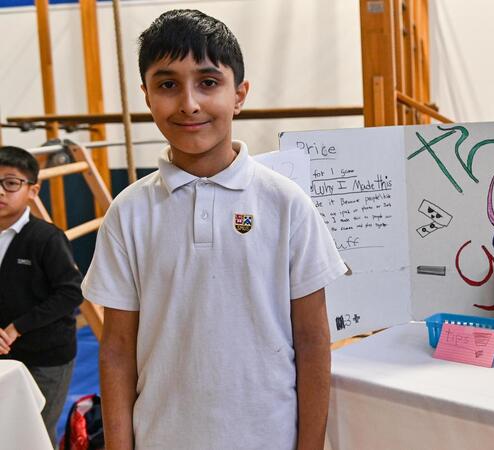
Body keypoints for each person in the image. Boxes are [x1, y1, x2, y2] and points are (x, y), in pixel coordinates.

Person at [81, 9, 346, 450]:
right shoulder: (128, 212)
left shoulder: (286, 203)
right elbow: (117, 350)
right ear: (147, 96)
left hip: (269, 439)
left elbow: (314, 341)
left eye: (208, 82)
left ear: (239, 95)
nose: (189, 103)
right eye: (168, 85)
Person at [0, 145, 84, 446]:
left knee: (35, 432)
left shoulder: (46, 238)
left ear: (33, 190)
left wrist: (16, 328)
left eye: (11, 183)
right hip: (5, 354)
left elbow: (71, 292)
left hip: (45, 357)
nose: (1, 191)